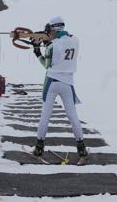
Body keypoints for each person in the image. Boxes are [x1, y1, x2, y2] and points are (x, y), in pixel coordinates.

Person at [32, 16, 87, 160]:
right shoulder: (75, 40)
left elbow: (46, 64)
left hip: (52, 82)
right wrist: (48, 40)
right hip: (68, 83)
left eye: (50, 29)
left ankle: (39, 147)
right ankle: (81, 148)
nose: (48, 32)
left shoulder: (52, 46)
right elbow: (62, 44)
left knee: (45, 115)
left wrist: (37, 51)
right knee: (73, 116)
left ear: (54, 28)